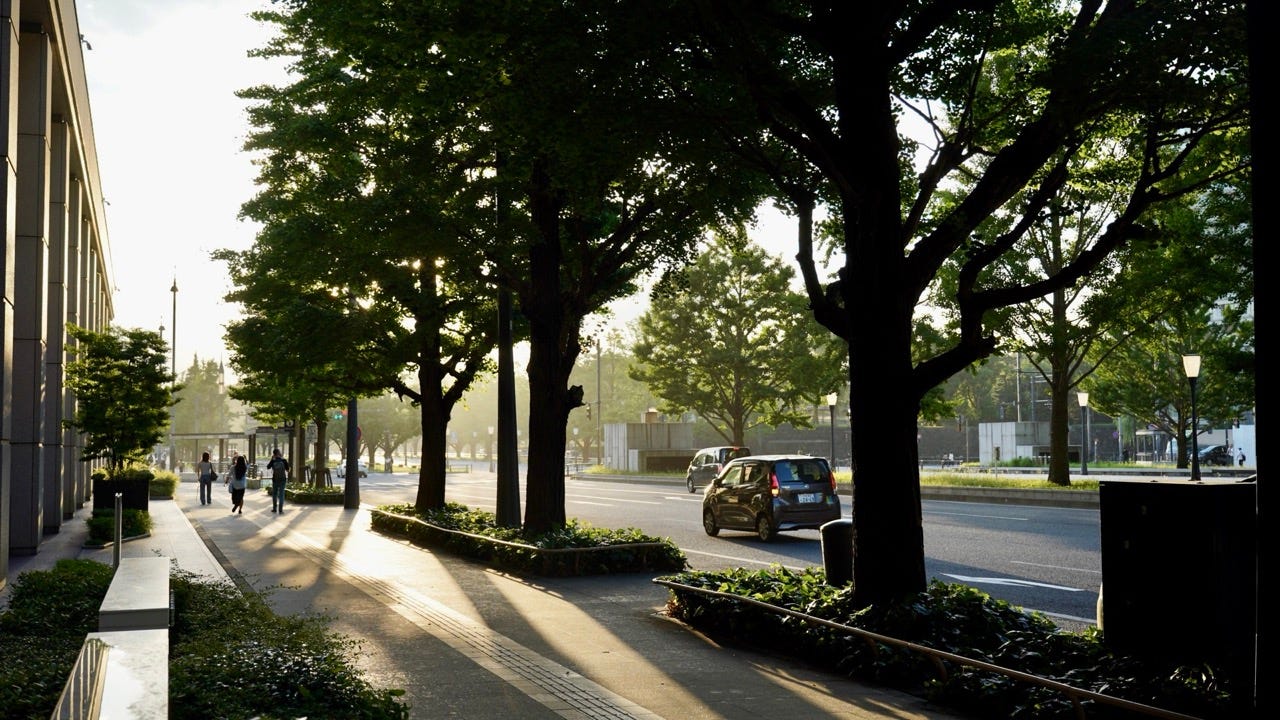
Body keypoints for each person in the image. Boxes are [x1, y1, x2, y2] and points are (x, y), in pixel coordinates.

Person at [266, 448, 290, 513]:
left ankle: (274, 508)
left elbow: (268, 467)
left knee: (275, 494)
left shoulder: (273, 461)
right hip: (282, 479)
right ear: (279, 453)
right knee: (281, 494)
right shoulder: (284, 460)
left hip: (275, 479)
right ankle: (280, 510)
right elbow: (288, 470)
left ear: (274, 454)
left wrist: (272, 459)